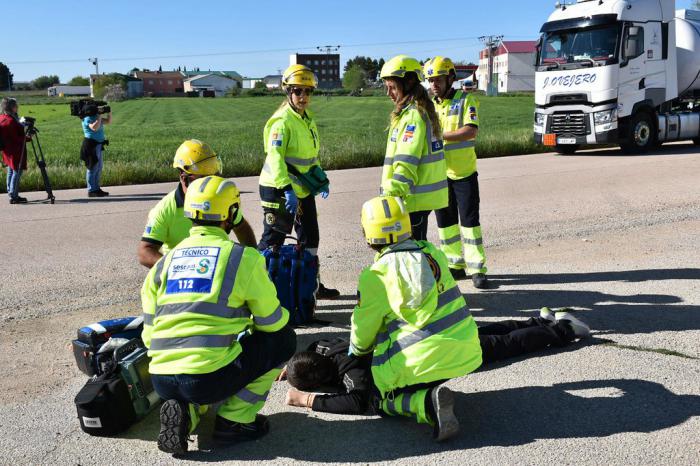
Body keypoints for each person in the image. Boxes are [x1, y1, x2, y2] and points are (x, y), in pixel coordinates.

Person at [293, 195, 482, 441]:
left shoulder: (376, 276)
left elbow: (362, 334)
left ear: (368, 234)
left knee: (377, 399)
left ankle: (424, 405)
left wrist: (354, 354)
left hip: (422, 363)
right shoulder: (431, 252)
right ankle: (426, 388)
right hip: (467, 350)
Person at [141, 175, 296, 455]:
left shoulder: (164, 262)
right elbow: (272, 323)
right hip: (206, 379)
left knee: (194, 376)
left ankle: (186, 415)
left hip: (161, 378)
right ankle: (235, 421)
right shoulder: (242, 259)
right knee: (283, 340)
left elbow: (149, 332)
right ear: (232, 214)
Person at [283, 308, 589, 416]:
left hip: (433, 355)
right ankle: (538, 319)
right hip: (422, 339)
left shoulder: (353, 375)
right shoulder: (324, 347)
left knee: (501, 346)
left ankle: (564, 329)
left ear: (323, 384)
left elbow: (358, 402)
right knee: (485, 335)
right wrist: (292, 368)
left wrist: (308, 400)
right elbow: (310, 347)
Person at [258, 64, 338, 299]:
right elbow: (275, 158)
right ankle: (256, 289)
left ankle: (310, 283)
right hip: (278, 188)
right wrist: (286, 189)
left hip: (302, 190)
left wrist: (320, 179)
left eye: (308, 91)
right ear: (288, 92)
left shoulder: (306, 119)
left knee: (310, 237)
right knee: (274, 239)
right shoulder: (281, 122)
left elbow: (309, 157)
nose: (303, 96)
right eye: (297, 91)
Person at [138, 139, 257, 268]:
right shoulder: (165, 208)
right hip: (181, 273)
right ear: (185, 178)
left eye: (214, 177)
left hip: (215, 265)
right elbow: (145, 252)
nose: (211, 184)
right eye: (205, 179)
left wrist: (255, 260)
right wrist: (175, 269)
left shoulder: (217, 199)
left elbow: (241, 227)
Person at [424, 56, 488, 288]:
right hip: (440, 174)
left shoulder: (465, 100)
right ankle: (454, 265)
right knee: (445, 223)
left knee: (470, 222)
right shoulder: (429, 105)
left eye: (438, 79)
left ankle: (477, 268)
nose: (434, 84)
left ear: (450, 78)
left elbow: (470, 131)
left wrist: (440, 137)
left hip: (463, 173)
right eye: (431, 80)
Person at [379, 55, 448, 241]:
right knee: (418, 247)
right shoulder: (416, 112)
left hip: (413, 197)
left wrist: (390, 193)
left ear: (408, 82)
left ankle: (427, 270)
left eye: (392, 87)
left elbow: (407, 161)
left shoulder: (413, 117)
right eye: (387, 88)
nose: (389, 93)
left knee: (413, 250)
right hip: (418, 197)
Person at [0, 97, 31, 204]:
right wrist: (28, 136)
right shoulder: (10, 121)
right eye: (16, 105)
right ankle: (14, 195)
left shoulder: (2, 117)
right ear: (12, 107)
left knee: (11, 170)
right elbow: (16, 138)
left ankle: (10, 192)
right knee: (17, 171)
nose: (17, 107)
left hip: (6, 150)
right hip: (15, 151)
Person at [81, 103, 111, 197]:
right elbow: (94, 128)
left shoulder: (96, 117)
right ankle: (91, 190)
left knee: (98, 167)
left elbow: (108, 121)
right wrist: (99, 115)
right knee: (92, 167)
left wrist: (109, 113)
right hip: (91, 145)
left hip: (97, 145)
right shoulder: (87, 118)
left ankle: (96, 188)